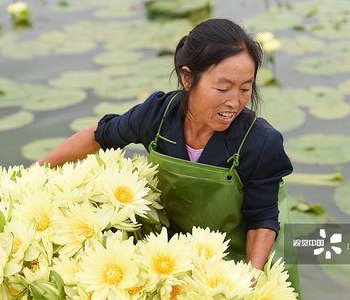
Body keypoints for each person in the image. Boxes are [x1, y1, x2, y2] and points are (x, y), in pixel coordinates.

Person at [37, 18, 299, 293]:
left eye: (245, 89)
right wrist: (36, 169)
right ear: (188, 78)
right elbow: (98, 136)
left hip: (234, 264)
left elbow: (262, 222)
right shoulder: (158, 115)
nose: (234, 102)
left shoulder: (260, 142)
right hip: (172, 256)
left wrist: (249, 282)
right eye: (223, 88)